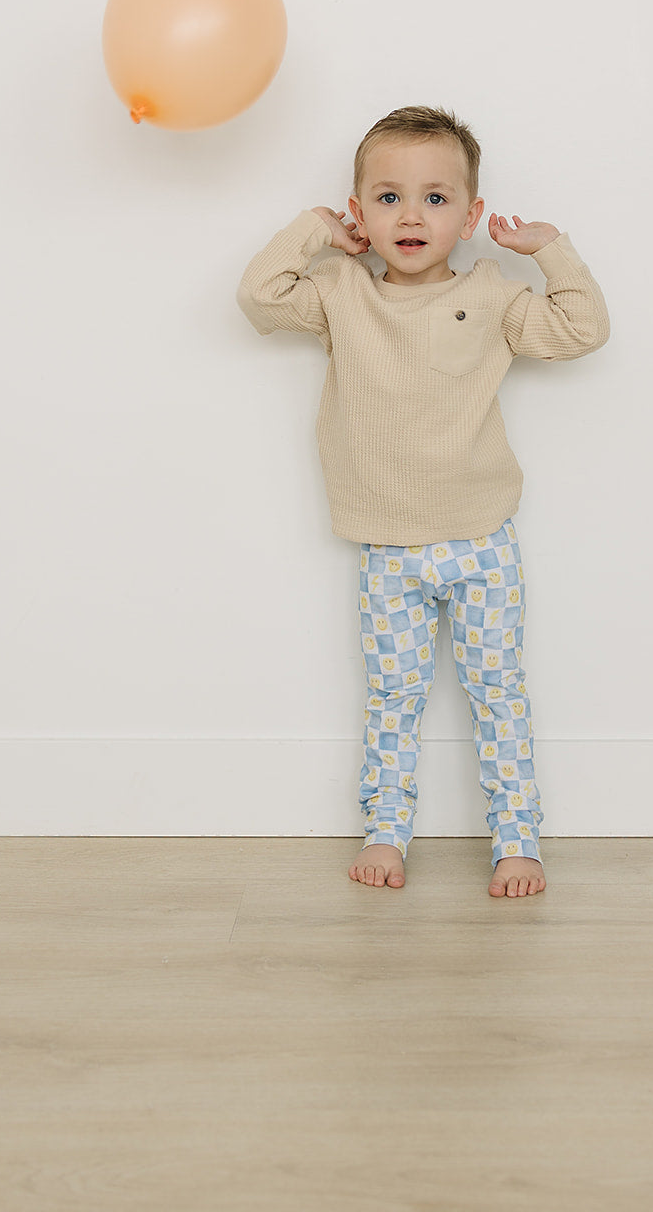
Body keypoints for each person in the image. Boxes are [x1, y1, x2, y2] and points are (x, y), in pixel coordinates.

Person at [236, 106, 610, 898]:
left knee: (497, 692)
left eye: (437, 199)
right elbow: (261, 298)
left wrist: (551, 251)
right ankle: (385, 831)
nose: (412, 215)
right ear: (359, 214)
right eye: (388, 198)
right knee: (392, 699)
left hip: (481, 541)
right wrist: (311, 231)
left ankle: (518, 841)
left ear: (471, 216)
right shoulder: (341, 293)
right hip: (388, 545)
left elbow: (580, 329)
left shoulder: (495, 294)